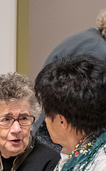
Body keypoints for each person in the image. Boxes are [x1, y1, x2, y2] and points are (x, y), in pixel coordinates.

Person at [33, 9, 106, 153]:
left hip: (54, 127)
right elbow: (85, 106)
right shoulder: (95, 51)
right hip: (57, 136)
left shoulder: (91, 39)